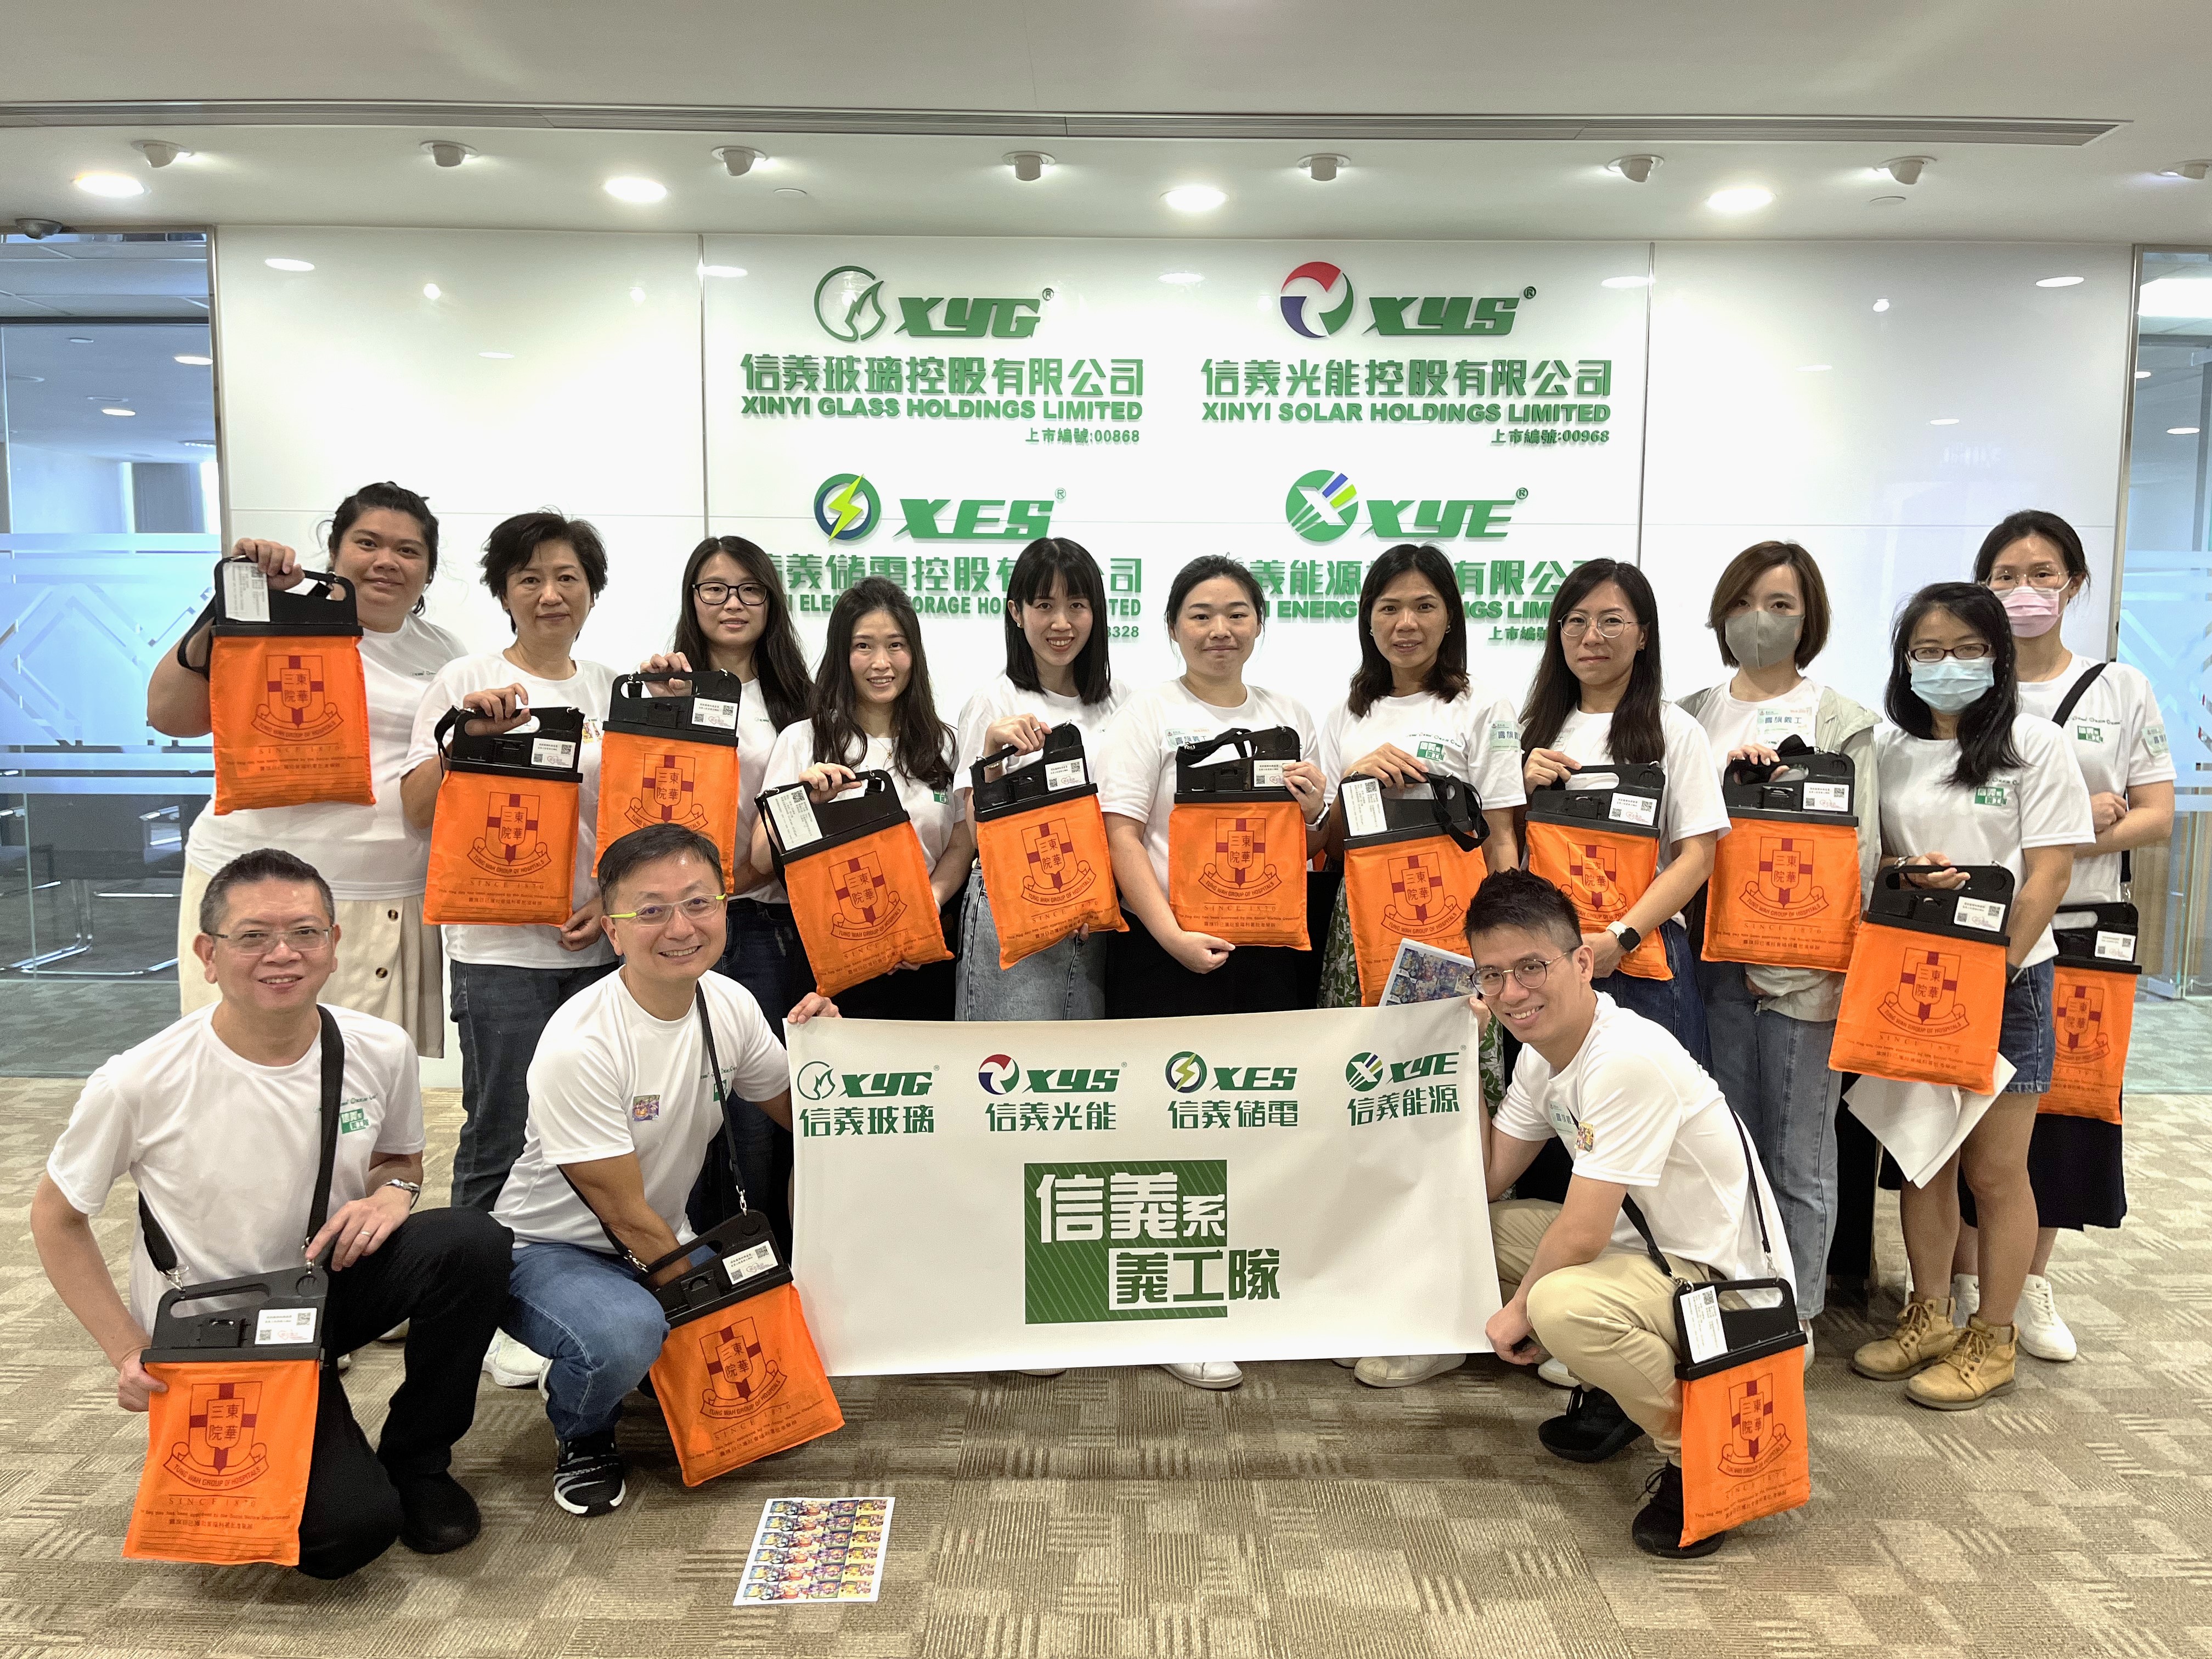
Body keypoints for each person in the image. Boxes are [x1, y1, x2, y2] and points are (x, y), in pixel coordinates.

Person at [30, 848, 511, 1578]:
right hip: (217, 1328)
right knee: (343, 1536)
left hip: (322, 1289)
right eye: (253, 936)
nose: (283, 954)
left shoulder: (379, 1048)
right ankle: (312, 1417)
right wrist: (128, 1351)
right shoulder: (138, 1080)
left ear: (334, 944)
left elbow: (399, 1161)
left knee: (472, 1241)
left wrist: (395, 1193)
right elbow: (55, 1218)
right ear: (209, 955)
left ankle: (419, 1460)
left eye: (305, 933)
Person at [493, 823, 837, 1517]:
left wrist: (830, 1051)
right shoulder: (582, 1043)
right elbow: (623, 1216)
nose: (681, 928)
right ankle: (583, 1431)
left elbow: (805, 1117)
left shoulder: (730, 1003)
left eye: (699, 903)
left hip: (664, 1237)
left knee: (781, 1331)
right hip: (549, 1251)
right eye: (651, 910)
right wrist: (709, 1309)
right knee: (627, 1336)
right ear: (613, 930)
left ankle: (646, 1349)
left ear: (724, 907)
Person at [1470, 868, 1795, 1560]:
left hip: (1726, 1294)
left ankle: (1700, 1453)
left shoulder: (1625, 1058)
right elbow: (1487, 1179)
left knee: (1557, 1303)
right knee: (1476, 1235)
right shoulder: (1541, 1055)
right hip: (1644, 1261)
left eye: (1531, 967)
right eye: (1492, 976)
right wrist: (1462, 1053)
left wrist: (1519, 1311)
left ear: (1582, 963)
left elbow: (1583, 1233)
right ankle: (1620, 1389)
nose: (1513, 993)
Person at [1849, 582, 2091, 1409]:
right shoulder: (1889, 747)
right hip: (1916, 975)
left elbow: (2050, 872)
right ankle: (1929, 1315)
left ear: (1996, 656)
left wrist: (2000, 969)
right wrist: (1902, 871)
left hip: (2009, 982)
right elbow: (1871, 858)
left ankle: (1995, 1335)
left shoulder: (2034, 743)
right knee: (1924, 1158)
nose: (1945, 665)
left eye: (1965, 650)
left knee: (1996, 1170)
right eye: (1926, 652)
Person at [1097, 554, 1328, 1392]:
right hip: (1166, 951)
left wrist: (1316, 808)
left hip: (1268, 951)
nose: (1219, 630)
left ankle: (1249, 1294)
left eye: (1236, 613)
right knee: (1169, 1131)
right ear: (1172, 628)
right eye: (1200, 614)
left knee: (1256, 1121)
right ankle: (1176, 1314)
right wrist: (1168, 935)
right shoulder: (1147, 714)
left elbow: (1321, 838)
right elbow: (1121, 833)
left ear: (1260, 623)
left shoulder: (1291, 714)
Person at [1948, 511, 2172, 1359]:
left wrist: (2062, 839)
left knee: (2059, 1115)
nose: (2024, 591)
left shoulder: (2121, 688)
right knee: (1958, 1111)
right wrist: (2074, 820)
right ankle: (1965, 1278)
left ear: (2075, 583)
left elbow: (2155, 816)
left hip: (2079, 932)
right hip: (1977, 929)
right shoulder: (1963, 687)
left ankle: (2029, 1281)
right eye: (2005, 576)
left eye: (2043, 574)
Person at [150, 482, 463, 1056]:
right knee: (242, 1070)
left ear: (428, 570)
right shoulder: (272, 617)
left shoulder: (445, 653)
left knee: (365, 1080)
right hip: (256, 891)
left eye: (408, 550)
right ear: (335, 552)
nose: (387, 561)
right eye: (368, 543)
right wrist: (229, 604)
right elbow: (171, 715)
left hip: (391, 895)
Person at [1314, 543, 1525, 1392]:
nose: (1406, 623)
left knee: (1448, 1116)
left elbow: (1503, 838)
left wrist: (1502, 961)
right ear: (1368, 619)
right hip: (1360, 936)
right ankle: (1379, 1297)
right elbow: (1327, 844)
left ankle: (1445, 1317)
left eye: (1424, 606)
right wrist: (1351, 778)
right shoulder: (1346, 713)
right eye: (1389, 607)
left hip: (1452, 942)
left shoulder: (1483, 707)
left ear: (1450, 616)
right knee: (1370, 1114)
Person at [1679, 542, 1881, 1356]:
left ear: (1810, 618)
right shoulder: (1689, 713)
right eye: (1744, 602)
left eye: (1781, 605)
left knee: (1800, 1153)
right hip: (1709, 965)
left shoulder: (1842, 721)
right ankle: (1738, 1295)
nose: (1759, 620)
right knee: (1726, 1148)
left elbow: (1862, 852)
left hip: (1807, 972)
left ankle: (1794, 1316)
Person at [401, 512, 618, 1221]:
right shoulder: (468, 678)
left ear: (592, 591)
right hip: (499, 954)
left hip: (598, 949)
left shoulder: (610, 690)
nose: (551, 594)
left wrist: (611, 901)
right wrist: (467, 738)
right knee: (501, 1128)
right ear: (504, 593)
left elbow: (631, 823)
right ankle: (476, 1275)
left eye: (567, 578)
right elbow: (417, 807)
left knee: (594, 1127)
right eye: (530, 579)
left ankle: (571, 1263)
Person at [635, 537, 813, 1254]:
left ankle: (769, 1259)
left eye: (749, 589)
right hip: (684, 922)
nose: (732, 604)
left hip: (774, 920)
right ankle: (700, 1260)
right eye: (714, 588)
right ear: (692, 599)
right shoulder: (665, 688)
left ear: (771, 600)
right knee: (685, 1099)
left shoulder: (800, 700)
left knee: (766, 1104)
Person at [1520, 560, 1729, 1064]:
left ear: (1643, 636)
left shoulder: (1674, 730)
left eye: (1611, 620)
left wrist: (1620, 937)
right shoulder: (1533, 730)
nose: (1592, 636)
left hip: (1642, 957)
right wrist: (1521, 792)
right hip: (1548, 960)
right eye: (1576, 621)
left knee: (1652, 1106)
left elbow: (1698, 857)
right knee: (1554, 1108)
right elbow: (1504, 851)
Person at [750, 577, 974, 1019]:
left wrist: (928, 904)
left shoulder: (945, 744)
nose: (881, 663)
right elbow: (760, 857)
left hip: (924, 956)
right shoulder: (804, 739)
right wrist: (803, 801)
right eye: (863, 646)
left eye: (896, 645)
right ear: (842, 654)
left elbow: (961, 842)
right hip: (832, 961)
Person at [953, 537, 1126, 1020]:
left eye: (1077, 605)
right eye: (1044, 606)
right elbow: (976, 834)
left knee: (1083, 1061)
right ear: (1016, 612)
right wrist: (992, 755)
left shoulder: (1121, 702)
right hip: (1013, 908)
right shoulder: (993, 701)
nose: (1061, 623)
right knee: (1006, 1058)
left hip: (1094, 912)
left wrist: (1089, 895)